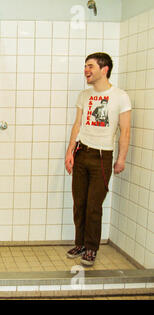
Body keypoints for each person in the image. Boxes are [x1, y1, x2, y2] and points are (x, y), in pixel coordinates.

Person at [64, 52, 131, 266]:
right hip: (82, 152)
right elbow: (77, 124)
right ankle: (80, 243)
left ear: (105, 69)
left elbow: (126, 130)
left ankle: (91, 248)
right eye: (85, 66)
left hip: (103, 156)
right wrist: (69, 152)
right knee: (79, 202)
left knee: (94, 205)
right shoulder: (84, 95)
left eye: (90, 66)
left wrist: (121, 159)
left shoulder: (120, 96)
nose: (86, 70)